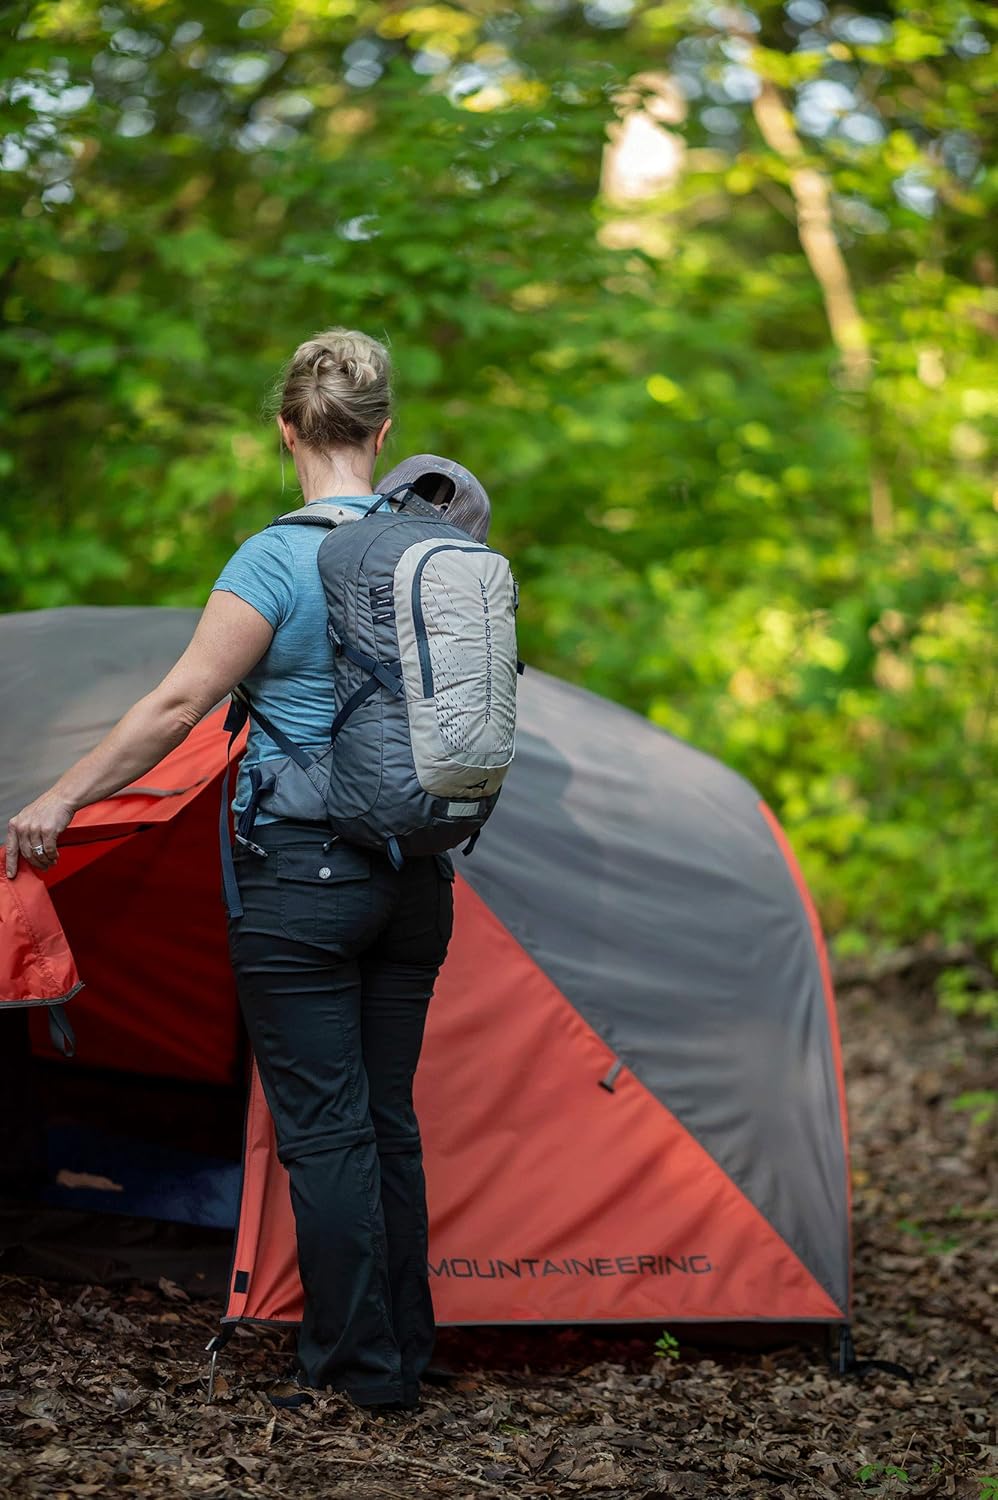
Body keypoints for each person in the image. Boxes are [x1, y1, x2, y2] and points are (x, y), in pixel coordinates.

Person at [5, 328, 459, 1411]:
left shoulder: (275, 555)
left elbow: (176, 704)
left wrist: (61, 800)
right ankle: (405, 1351)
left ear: (286, 430)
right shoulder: (429, 555)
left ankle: (355, 1373)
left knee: (326, 1128)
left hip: (303, 875)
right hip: (417, 879)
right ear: (383, 432)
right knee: (386, 1119)